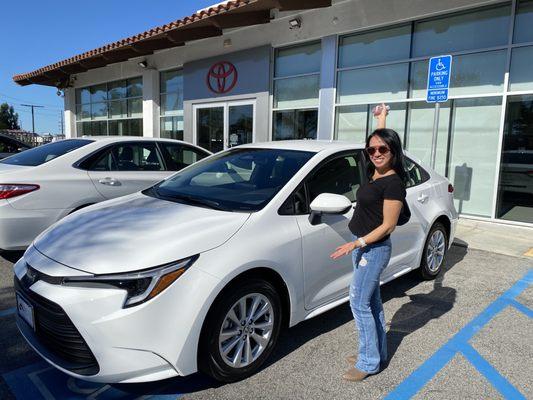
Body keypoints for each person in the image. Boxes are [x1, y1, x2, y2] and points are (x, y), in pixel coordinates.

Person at [330, 104, 408, 382]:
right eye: (371, 149)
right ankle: (375, 351)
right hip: (362, 245)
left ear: (394, 153)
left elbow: (388, 226)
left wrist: (356, 243)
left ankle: (369, 362)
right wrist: (382, 119)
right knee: (372, 302)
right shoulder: (374, 171)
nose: (376, 154)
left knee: (359, 303)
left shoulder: (393, 183)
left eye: (383, 150)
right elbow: (380, 138)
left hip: (372, 249)